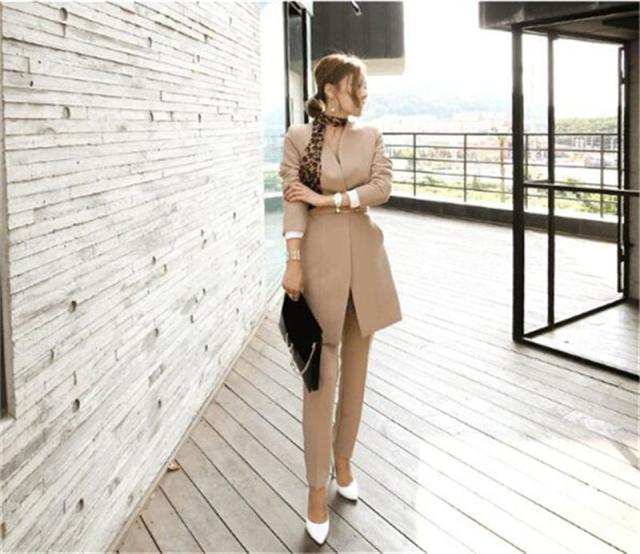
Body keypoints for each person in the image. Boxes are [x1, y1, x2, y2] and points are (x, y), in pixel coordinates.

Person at [279, 51, 402, 544]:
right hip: (319, 263)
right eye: (358, 85)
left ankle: (344, 460)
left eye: (366, 86)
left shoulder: (371, 136)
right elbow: (293, 201)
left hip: (366, 266)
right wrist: (292, 261)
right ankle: (315, 487)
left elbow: (382, 187)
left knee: (357, 372)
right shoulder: (297, 137)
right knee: (319, 378)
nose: (365, 93)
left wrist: (329, 199)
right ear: (331, 89)